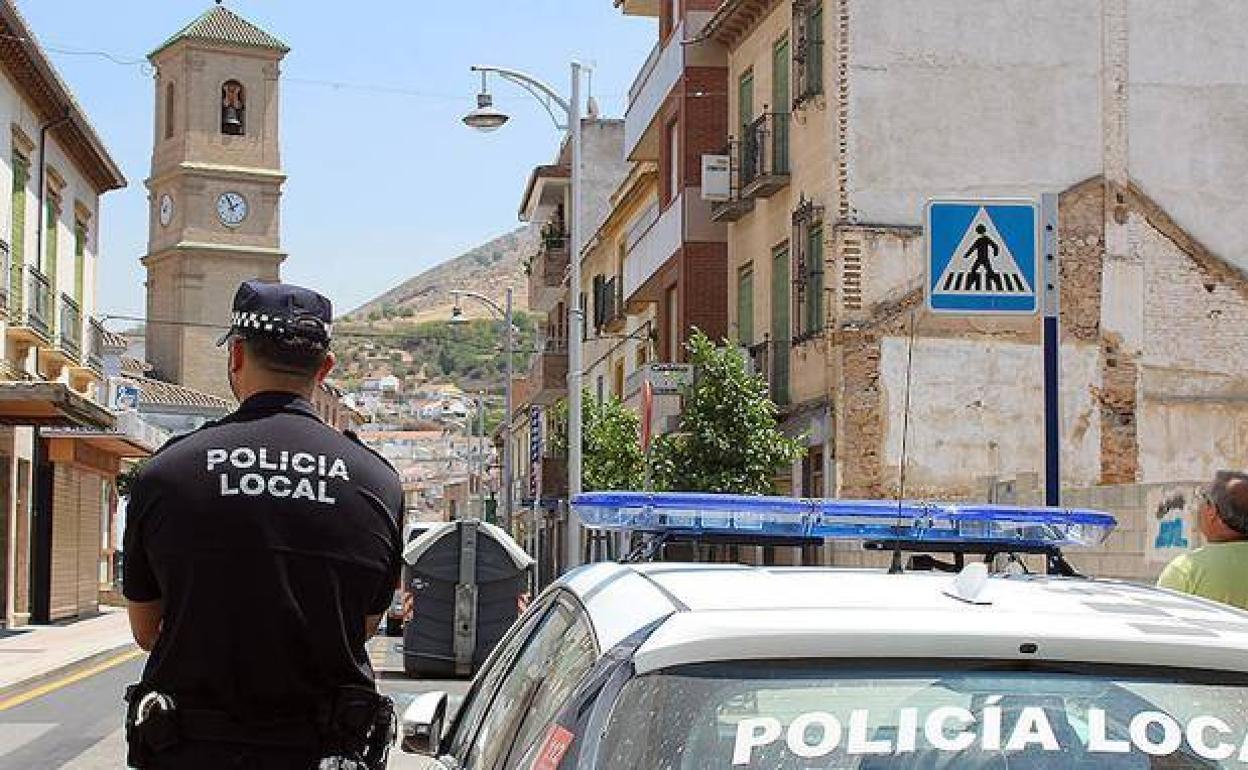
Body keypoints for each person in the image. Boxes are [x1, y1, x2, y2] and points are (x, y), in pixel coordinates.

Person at [122, 280, 403, 769]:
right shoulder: (377, 482)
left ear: (236, 356)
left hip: (191, 754)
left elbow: (147, 629)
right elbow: (364, 625)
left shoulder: (167, 472)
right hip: (323, 752)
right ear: (325, 368)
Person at [1157, 470, 1248, 610]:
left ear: (1212, 511)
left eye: (1203, 499)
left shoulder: (1186, 570)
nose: (1198, 508)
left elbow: (1161, 618)